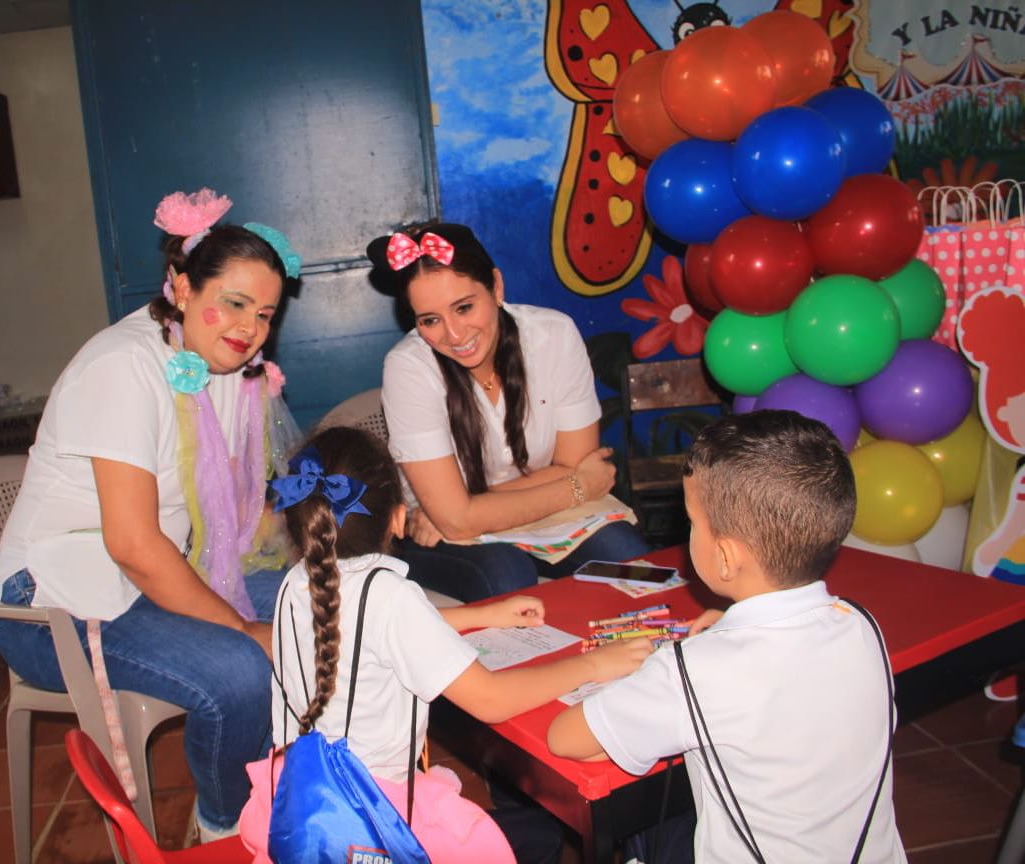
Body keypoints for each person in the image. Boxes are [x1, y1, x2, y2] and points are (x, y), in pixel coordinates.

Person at [0, 188, 303, 840]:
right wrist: (245, 630)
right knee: (240, 669)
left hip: (146, 574)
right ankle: (227, 832)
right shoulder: (124, 366)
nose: (249, 328)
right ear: (183, 288)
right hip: (54, 601)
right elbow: (132, 543)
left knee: (319, 604)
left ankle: (295, 789)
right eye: (233, 303)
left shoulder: (225, 365)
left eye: (265, 314)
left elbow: (239, 510)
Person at [240, 424, 653, 863]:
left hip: (296, 805)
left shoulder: (296, 583)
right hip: (373, 824)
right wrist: (594, 664)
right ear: (398, 519)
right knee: (526, 840)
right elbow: (492, 700)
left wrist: (482, 615)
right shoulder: (391, 596)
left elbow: (372, 629)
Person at [547, 410, 907, 863]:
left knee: (642, 830)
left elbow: (566, 738)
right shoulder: (861, 624)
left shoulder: (692, 671)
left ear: (724, 556)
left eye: (692, 522)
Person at [368, 222, 651, 601]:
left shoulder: (554, 336)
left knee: (627, 556)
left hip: (541, 517)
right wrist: (578, 487)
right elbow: (457, 521)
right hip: (434, 532)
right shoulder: (408, 368)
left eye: (464, 307)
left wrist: (464, 508)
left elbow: (572, 463)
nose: (454, 334)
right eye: (430, 320)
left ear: (497, 287)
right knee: (508, 576)